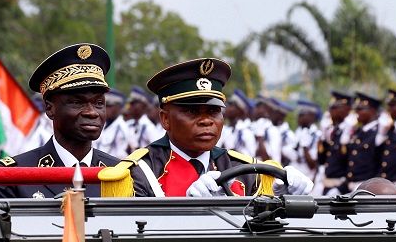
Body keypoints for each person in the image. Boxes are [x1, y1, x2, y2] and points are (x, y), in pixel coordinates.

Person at [117, 58, 313, 198]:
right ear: (165, 119)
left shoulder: (246, 170)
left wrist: (288, 199)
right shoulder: (140, 171)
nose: (206, 121)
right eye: (192, 112)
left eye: (213, 111)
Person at [0, 44, 120, 198]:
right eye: (77, 103)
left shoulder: (119, 174)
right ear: (49, 108)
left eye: (98, 103)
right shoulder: (14, 176)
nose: (92, 112)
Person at [317, 91, 353, 195]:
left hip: (342, 185)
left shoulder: (350, 129)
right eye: (330, 109)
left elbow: (348, 160)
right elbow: (322, 160)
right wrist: (323, 138)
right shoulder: (332, 131)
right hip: (327, 182)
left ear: (346, 109)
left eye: (335, 108)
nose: (331, 112)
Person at [345, 92, 382, 191]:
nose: (356, 112)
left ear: (372, 110)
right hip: (351, 186)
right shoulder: (358, 131)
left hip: (369, 187)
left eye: (360, 109)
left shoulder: (379, 131)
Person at [94, 90, 131, 159]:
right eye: (105, 105)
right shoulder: (102, 124)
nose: (106, 109)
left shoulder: (121, 127)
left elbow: (121, 155)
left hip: (112, 167)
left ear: (118, 107)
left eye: (109, 106)